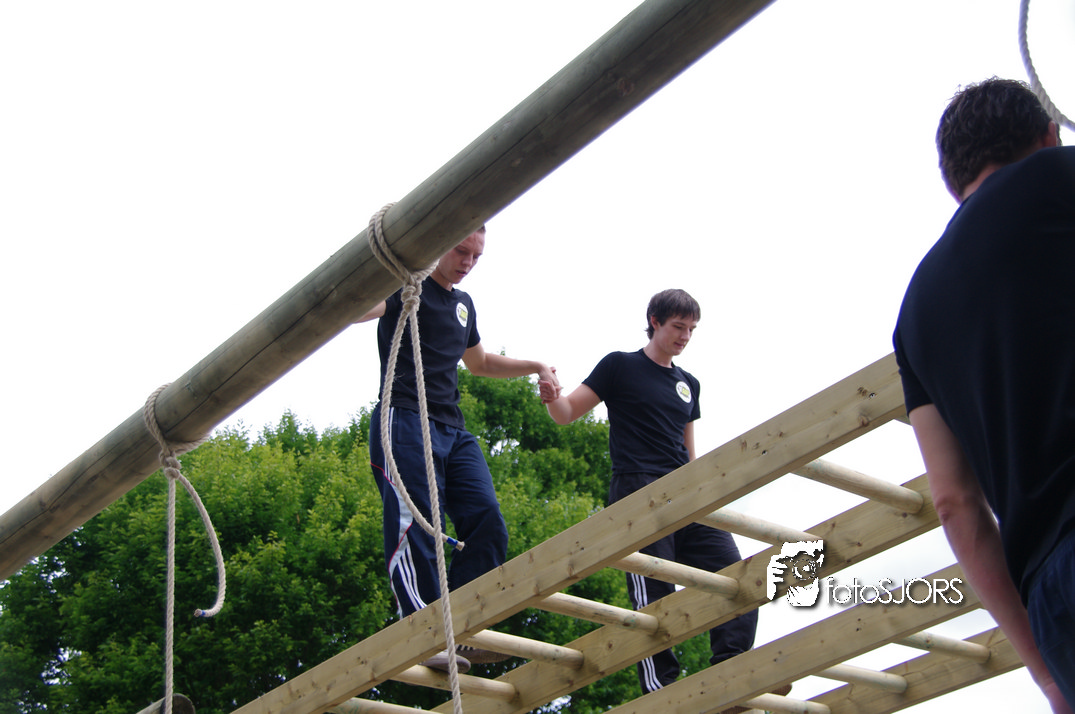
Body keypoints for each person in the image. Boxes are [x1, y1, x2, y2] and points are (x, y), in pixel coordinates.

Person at [893, 78, 1074, 712]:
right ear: (1048, 136)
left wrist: (1045, 672)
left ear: (954, 184)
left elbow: (955, 505)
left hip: (1056, 592)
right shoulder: (1061, 175)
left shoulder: (914, 315)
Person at [357, 225, 560, 672]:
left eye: (476, 256)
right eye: (460, 251)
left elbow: (479, 362)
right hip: (405, 418)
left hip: (453, 429)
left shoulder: (463, 304)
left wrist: (536, 365)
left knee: (488, 521)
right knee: (419, 522)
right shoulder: (406, 287)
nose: (467, 263)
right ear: (438, 245)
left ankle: (463, 628)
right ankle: (422, 632)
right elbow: (357, 309)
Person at [539, 289, 757, 695]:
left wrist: (704, 495)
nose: (685, 336)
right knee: (654, 596)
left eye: (691, 329)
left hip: (685, 491)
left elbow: (689, 453)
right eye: (678, 326)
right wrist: (552, 397)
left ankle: (732, 672)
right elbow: (567, 413)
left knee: (736, 575)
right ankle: (661, 691)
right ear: (654, 321)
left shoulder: (689, 384)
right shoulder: (620, 365)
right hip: (638, 490)